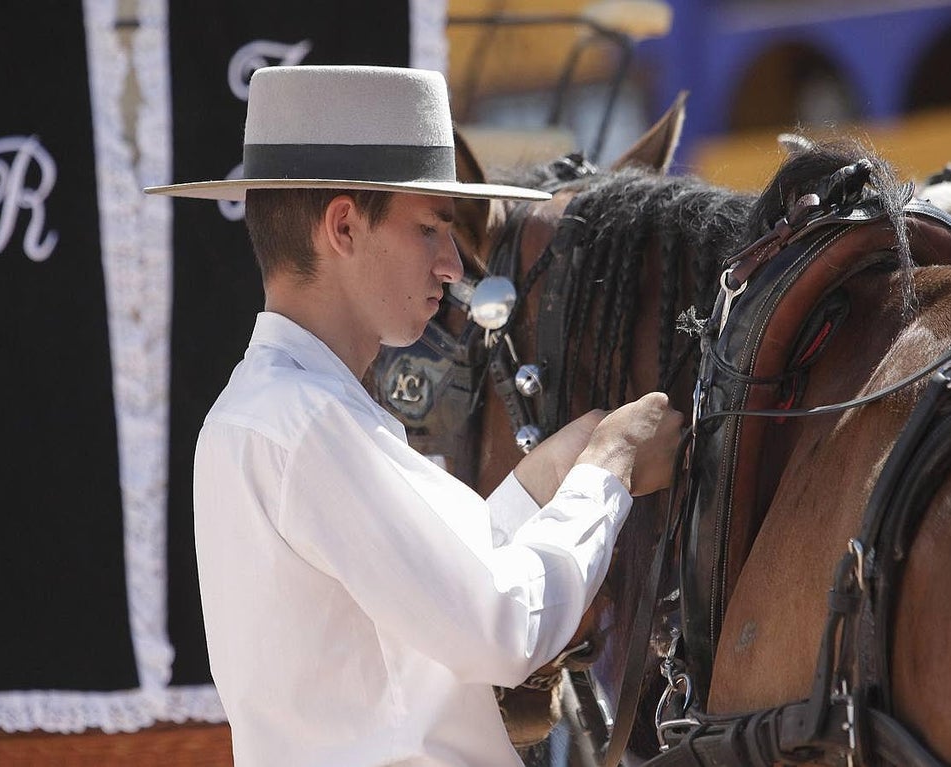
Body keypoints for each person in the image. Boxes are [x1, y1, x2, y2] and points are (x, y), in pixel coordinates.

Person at [146, 65, 684, 766]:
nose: (453, 265)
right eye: (430, 226)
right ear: (342, 226)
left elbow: (429, 594)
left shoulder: (278, 412)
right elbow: (500, 627)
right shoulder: (303, 423)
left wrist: (544, 478)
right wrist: (606, 471)